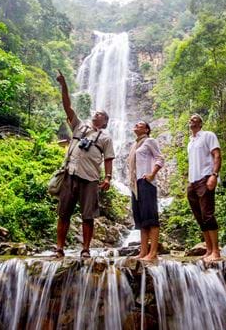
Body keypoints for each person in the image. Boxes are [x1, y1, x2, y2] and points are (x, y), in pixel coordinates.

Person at [54, 70, 115, 259]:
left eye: (100, 115)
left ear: (104, 122)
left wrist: (108, 177)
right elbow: (67, 107)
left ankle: (86, 249)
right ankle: (59, 248)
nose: (95, 115)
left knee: (88, 216)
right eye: (95, 113)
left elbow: (108, 159)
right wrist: (64, 86)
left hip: (90, 179)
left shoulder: (105, 137)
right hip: (70, 174)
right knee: (64, 213)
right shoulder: (79, 126)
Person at [187, 113, 222, 261]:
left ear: (200, 124)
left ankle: (216, 251)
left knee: (207, 214)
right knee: (200, 217)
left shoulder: (208, 135)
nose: (191, 120)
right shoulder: (190, 142)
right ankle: (208, 250)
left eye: (195, 119)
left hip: (205, 177)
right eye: (190, 119)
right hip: (193, 182)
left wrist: (214, 175)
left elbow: (217, 155)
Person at [127, 121, 164, 260]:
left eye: (140, 124)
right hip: (135, 184)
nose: (136, 125)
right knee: (142, 220)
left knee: (151, 218)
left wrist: (152, 174)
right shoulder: (134, 145)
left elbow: (160, 158)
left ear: (147, 129)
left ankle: (153, 252)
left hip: (146, 182)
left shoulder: (150, 141)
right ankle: (143, 252)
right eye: (136, 124)